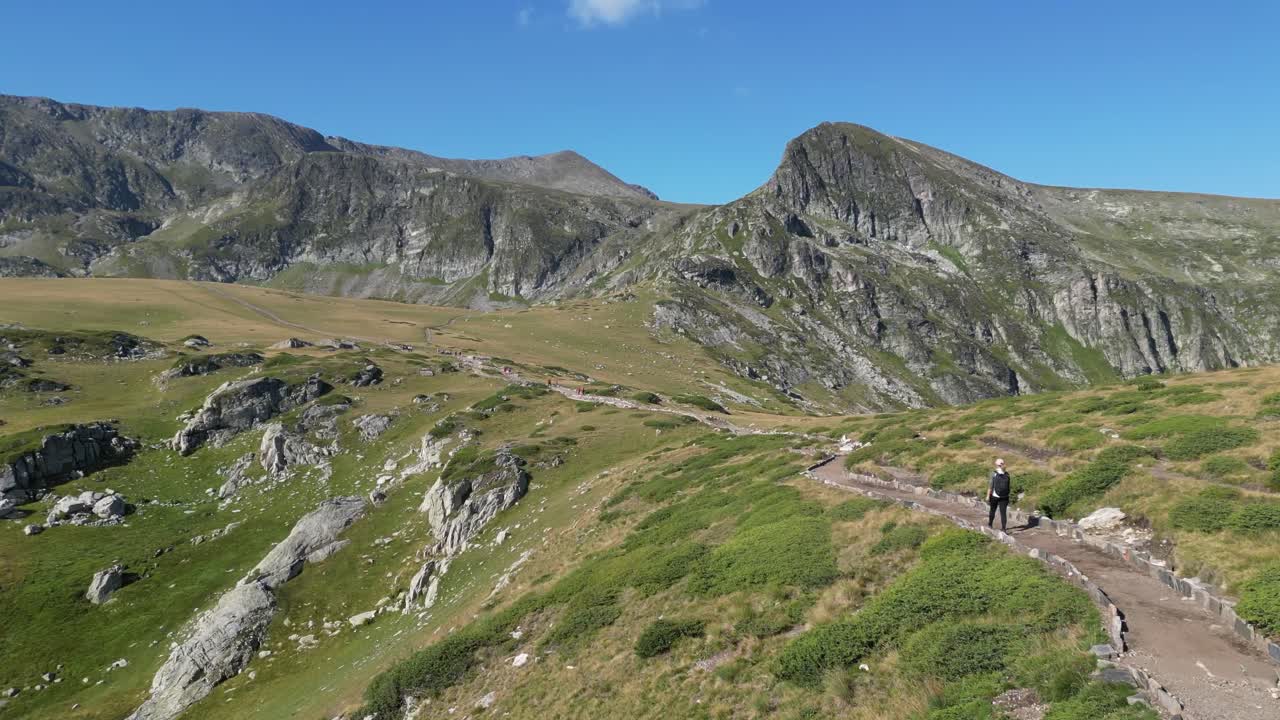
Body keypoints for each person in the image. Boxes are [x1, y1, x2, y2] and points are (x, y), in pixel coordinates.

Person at [987, 458, 1011, 531]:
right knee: (1003, 513)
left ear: (996, 464)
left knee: (992, 510)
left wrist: (988, 496)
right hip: (1005, 496)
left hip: (995, 496)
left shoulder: (994, 473)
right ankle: (1003, 528)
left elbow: (990, 486)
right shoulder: (1007, 474)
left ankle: (990, 524)